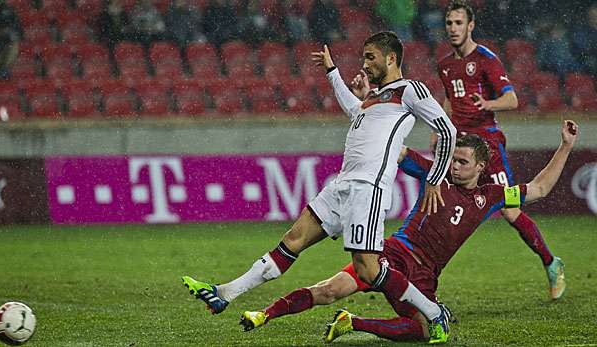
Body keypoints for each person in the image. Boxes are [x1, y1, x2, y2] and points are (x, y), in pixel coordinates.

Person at [182, 31, 457, 343]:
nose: (364, 63)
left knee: (368, 271)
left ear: (391, 58)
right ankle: (225, 293)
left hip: (367, 190)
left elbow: (447, 130)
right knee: (293, 239)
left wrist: (434, 179)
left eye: (370, 57)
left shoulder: (409, 89)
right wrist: (333, 72)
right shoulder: (375, 97)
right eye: (363, 57)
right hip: (340, 187)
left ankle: (434, 313)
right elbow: (355, 111)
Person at [240, 120, 579, 344]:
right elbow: (398, 151)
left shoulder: (491, 195)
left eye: (462, 162)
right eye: (453, 160)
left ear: (481, 167)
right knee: (329, 289)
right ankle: (263, 315)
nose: (455, 166)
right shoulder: (435, 173)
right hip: (393, 253)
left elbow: (539, 188)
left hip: (426, 274)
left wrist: (565, 145)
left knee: (422, 329)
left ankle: (352, 322)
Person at [434, 0, 566, 300]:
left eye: (458, 23)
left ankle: (550, 262)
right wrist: (438, 129)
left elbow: (512, 100)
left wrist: (487, 104)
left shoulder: (486, 59)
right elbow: (448, 101)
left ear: (471, 26)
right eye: (449, 23)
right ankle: (423, 280)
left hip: (488, 147)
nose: (453, 29)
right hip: (459, 148)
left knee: (508, 209)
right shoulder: (444, 64)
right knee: (440, 205)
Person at [0, 0, 22, 79]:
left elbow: (18, 30)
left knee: (14, 44)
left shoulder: (9, 11)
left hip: (4, 42)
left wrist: (5, 32)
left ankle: (3, 69)